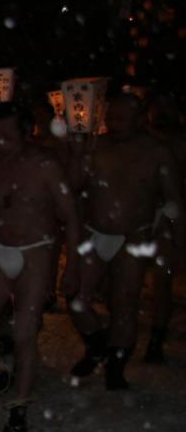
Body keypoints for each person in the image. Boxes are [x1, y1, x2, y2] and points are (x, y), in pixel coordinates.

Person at [0, 103, 81, 432]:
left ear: (26, 132)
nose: (0, 142)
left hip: (36, 251)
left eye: (7, 135)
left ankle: (19, 402)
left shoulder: (44, 164)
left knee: (23, 332)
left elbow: (71, 216)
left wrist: (72, 266)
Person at [68, 92, 184, 388]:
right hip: (96, 232)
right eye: (111, 117)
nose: (114, 123)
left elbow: (174, 200)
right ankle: (97, 347)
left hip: (135, 234)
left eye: (121, 117)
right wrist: (78, 153)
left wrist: (174, 238)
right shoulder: (97, 146)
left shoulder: (158, 151)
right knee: (76, 297)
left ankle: (116, 364)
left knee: (125, 303)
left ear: (139, 117)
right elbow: (73, 185)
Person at [144, 91, 185, 362]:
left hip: (173, 216)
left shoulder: (181, 143)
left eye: (166, 107)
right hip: (144, 216)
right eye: (157, 107)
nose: (161, 113)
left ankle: (156, 336)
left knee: (163, 280)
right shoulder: (141, 143)